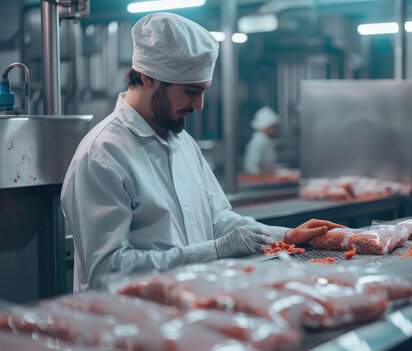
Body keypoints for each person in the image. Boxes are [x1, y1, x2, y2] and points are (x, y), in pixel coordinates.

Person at [61, 13, 344, 292]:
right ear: (148, 77)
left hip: (192, 310)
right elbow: (106, 273)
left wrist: (288, 235)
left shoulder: (182, 143)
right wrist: (214, 252)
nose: (199, 105)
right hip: (132, 326)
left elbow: (219, 220)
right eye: (191, 91)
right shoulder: (103, 155)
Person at [243, 106, 279, 175]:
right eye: (273, 127)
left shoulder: (266, 141)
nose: (275, 129)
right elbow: (250, 167)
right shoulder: (258, 143)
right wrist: (263, 177)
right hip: (262, 182)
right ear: (265, 127)